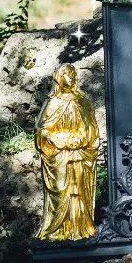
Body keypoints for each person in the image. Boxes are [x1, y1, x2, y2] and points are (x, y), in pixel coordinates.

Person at [35, 63, 99, 241]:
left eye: (73, 73)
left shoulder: (83, 100)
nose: (72, 77)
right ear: (59, 77)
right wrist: (60, 140)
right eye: (67, 74)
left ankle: (80, 226)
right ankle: (58, 231)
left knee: (79, 191)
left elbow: (91, 127)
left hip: (79, 153)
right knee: (61, 190)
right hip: (60, 155)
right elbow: (42, 130)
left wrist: (79, 139)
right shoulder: (53, 102)